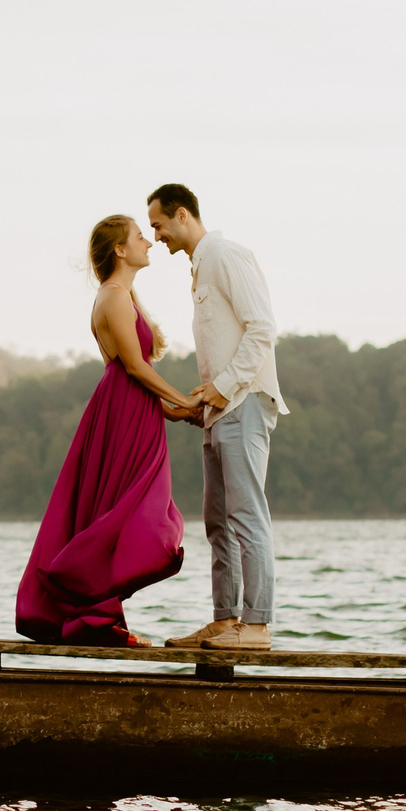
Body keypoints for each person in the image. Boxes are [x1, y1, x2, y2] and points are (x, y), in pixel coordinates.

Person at [15, 214, 196, 647]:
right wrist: (184, 400)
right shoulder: (113, 297)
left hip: (133, 409)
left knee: (120, 511)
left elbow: (131, 372)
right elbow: (132, 367)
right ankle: (95, 616)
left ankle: (99, 617)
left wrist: (169, 412)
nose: (148, 243)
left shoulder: (121, 296)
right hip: (124, 412)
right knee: (130, 514)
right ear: (120, 249)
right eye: (140, 237)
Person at [144, 183, 285, 651]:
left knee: (247, 516)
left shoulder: (225, 255)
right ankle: (226, 622)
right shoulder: (200, 268)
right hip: (219, 411)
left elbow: (262, 328)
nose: (156, 236)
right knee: (218, 522)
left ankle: (257, 627)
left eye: (159, 225)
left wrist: (222, 389)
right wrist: (201, 404)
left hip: (244, 403)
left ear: (182, 214)